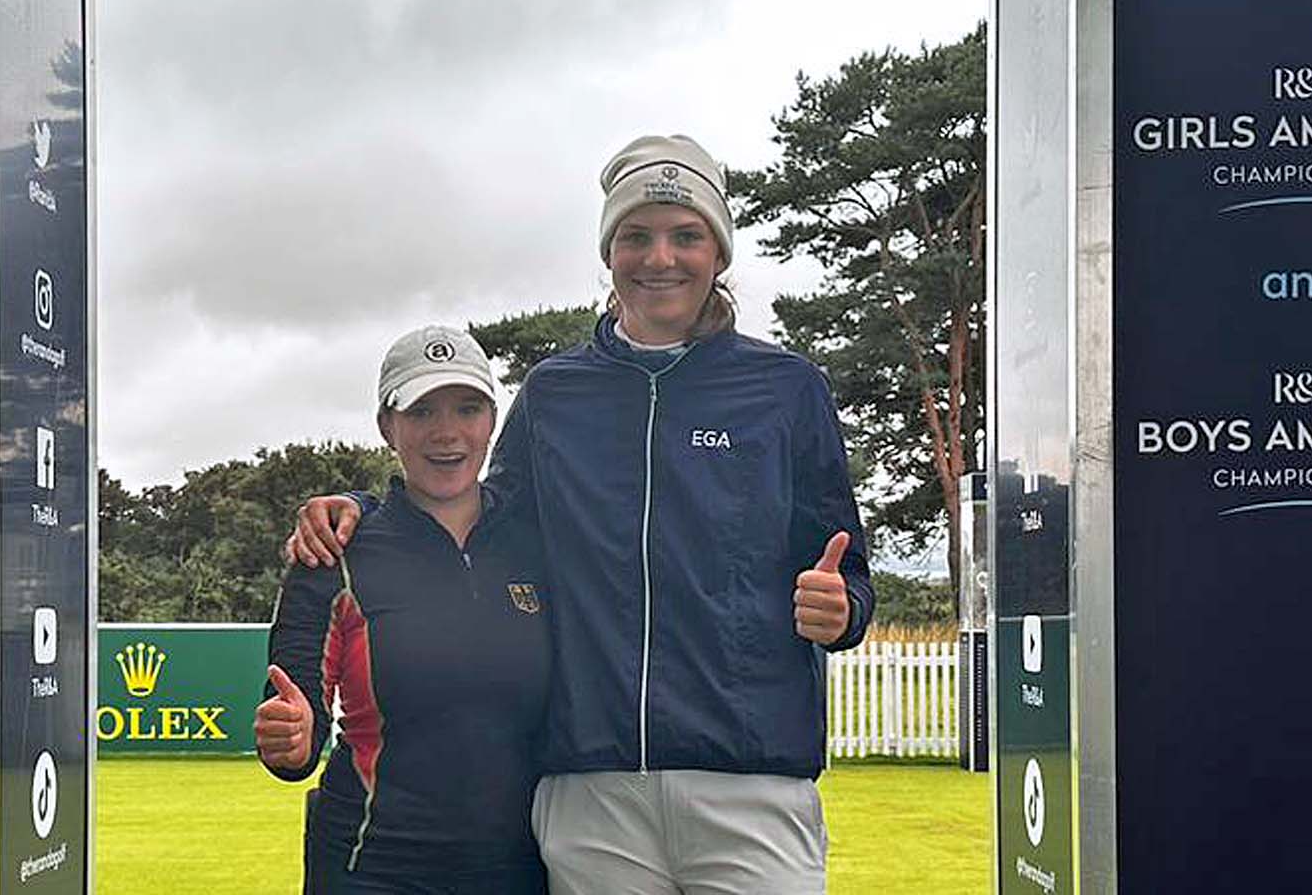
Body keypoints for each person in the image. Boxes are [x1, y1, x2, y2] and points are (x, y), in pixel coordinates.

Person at [291, 134, 874, 894]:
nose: (659, 257)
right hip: (592, 793)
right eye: (636, 236)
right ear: (609, 254)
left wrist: (844, 609)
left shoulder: (788, 389)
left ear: (718, 253)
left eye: (685, 235)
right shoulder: (555, 393)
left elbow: (849, 573)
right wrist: (365, 510)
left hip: (750, 782)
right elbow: (480, 516)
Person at [256, 325, 551, 895]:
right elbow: (297, 727)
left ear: (493, 421)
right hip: (371, 865)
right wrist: (289, 739)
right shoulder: (333, 553)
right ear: (387, 427)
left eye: (467, 408)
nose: (447, 433)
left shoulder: (541, 541)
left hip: (520, 866)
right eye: (420, 413)